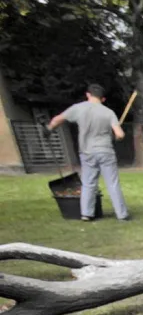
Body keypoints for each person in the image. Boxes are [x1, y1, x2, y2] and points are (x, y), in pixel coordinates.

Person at [47, 84, 131, 222]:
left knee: (88, 183)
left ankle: (86, 214)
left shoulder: (78, 108)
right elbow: (120, 134)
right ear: (103, 99)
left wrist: (49, 129)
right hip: (105, 151)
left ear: (88, 95)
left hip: (87, 152)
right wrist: (117, 137)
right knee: (112, 183)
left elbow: (57, 119)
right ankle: (122, 214)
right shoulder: (108, 112)